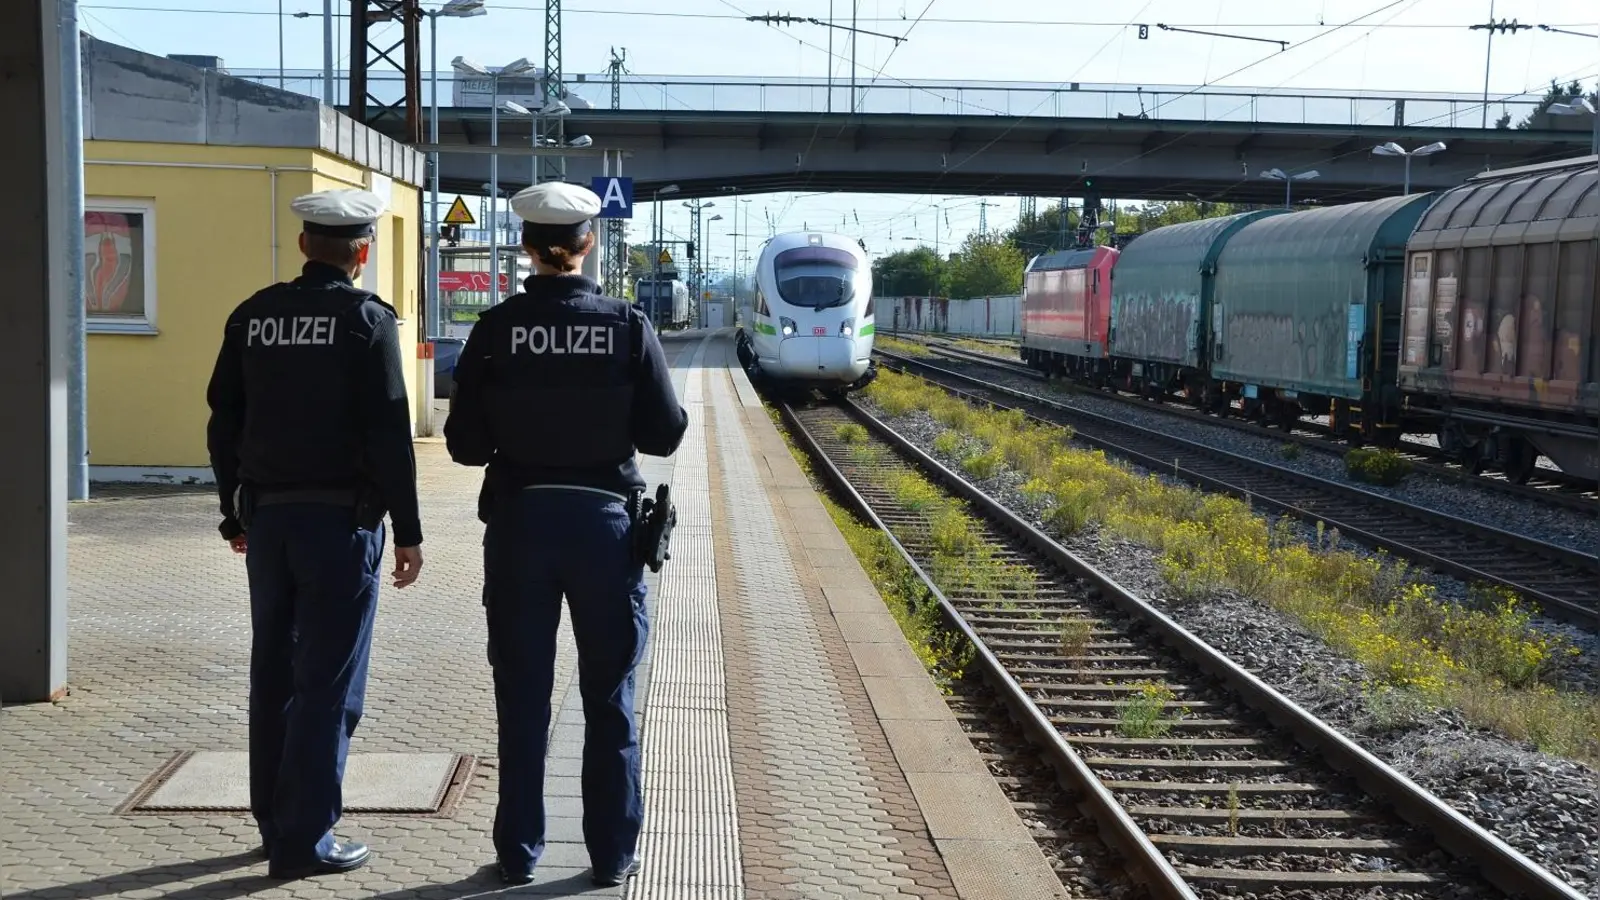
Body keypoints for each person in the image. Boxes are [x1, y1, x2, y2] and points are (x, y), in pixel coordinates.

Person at [444, 181, 688, 888]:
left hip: (520, 524)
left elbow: (463, 445)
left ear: (526, 245)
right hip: (604, 529)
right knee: (608, 694)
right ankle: (610, 855)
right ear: (590, 243)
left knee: (521, 693)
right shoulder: (625, 325)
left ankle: (519, 853)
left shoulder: (493, 330)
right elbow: (666, 432)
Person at [205, 188, 425, 880]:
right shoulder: (366, 322)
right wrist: (411, 531)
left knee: (272, 671)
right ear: (361, 253)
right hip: (341, 526)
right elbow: (391, 434)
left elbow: (222, 422)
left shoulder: (253, 316)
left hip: (269, 522)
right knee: (328, 683)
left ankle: (274, 822)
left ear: (305, 247)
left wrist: (233, 512)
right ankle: (306, 840)